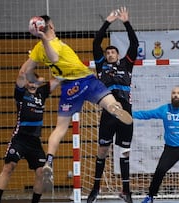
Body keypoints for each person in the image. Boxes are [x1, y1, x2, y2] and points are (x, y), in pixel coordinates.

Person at [22, 14, 133, 191]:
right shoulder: (53, 44)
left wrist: (32, 80)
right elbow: (55, 58)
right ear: (50, 27)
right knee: (110, 101)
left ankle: (49, 161)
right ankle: (113, 107)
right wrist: (44, 39)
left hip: (69, 89)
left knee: (60, 128)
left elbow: (26, 71)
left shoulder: (36, 50)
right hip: (86, 81)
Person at [86, 7, 139, 203]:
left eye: (113, 52)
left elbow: (134, 43)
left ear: (118, 54)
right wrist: (107, 22)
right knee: (102, 151)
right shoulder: (101, 66)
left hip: (126, 113)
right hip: (108, 114)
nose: (109, 54)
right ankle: (95, 189)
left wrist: (126, 22)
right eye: (107, 52)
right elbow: (95, 42)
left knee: (124, 153)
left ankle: (126, 191)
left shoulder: (127, 64)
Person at [0, 66, 60, 203]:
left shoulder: (42, 93)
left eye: (34, 82)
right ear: (26, 83)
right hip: (20, 138)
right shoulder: (21, 93)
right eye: (29, 82)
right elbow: (22, 74)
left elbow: (58, 79)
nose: (32, 84)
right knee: (9, 166)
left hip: (35, 141)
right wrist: (31, 64)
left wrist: (64, 67)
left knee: (41, 172)